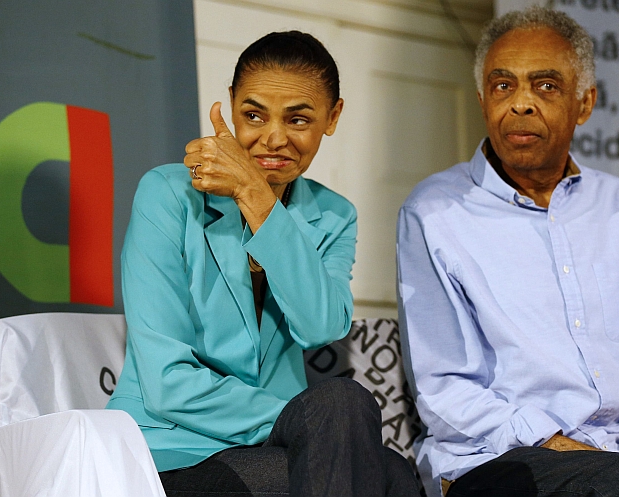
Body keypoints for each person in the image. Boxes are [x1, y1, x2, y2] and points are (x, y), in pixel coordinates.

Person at [396, 7, 619, 497]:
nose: (520, 104)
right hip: (496, 460)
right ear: (483, 99)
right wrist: (597, 460)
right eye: (503, 86)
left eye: (545, 85)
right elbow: (446, 391)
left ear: (584, 103)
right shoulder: (435, 211)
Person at [107, 31, 419, 497]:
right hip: (168, 445)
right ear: (230, 104)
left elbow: (321, 326)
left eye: (298, 119)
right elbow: (166, 383)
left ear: (332, 118)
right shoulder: (168, 194)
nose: (274, 138)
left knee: (386, 462)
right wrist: (304, 422)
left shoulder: (334, 216)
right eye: (253, 115)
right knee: (356, 435)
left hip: (280, 445)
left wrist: (258, 199)